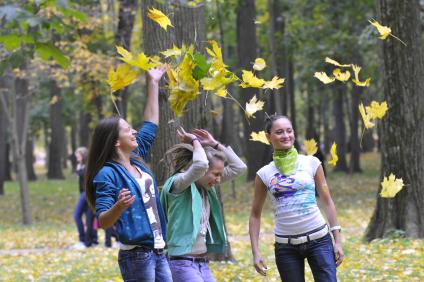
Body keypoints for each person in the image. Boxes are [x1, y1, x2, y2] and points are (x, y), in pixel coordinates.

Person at [85, 65, 172, 282]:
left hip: (159, 250)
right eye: (127, 130)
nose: (134, 132)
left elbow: (151, 124)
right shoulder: (107, 174)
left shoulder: (137, 159)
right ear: (116, 141)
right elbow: (103, 221)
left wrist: (153, 83)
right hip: (136, 256)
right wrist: (119, 206)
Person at [249, 115, 344, 282]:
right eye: (279, 132)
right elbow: (255, 215)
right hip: (286, 248)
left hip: (319, 241)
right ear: (268, 136)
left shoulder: (312, 163)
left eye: (289, 130)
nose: (286, 136)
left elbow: (327, 201)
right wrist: (255, 252)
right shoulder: (263, 174)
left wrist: (337, 240)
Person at [160, 127, 247, 282]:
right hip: (182, 263)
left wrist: (214, 144)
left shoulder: (206, 186)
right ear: (203, 170)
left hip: (202, 263)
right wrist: (195, 142)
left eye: (220, 175)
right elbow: (200, 165)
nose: (219, 180)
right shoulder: (179, 183)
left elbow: (239, 167)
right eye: (216, 174)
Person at [72, 147, 98, 249]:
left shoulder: (87, 167)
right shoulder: (82, 166)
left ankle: (83, 240)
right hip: (85, 194)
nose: (77, 157)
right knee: (88, 218)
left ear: (83, 156)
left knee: (77, 215)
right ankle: (90, 241)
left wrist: (78, 170)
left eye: (78, 155)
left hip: (86, 194)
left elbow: (86, 176)